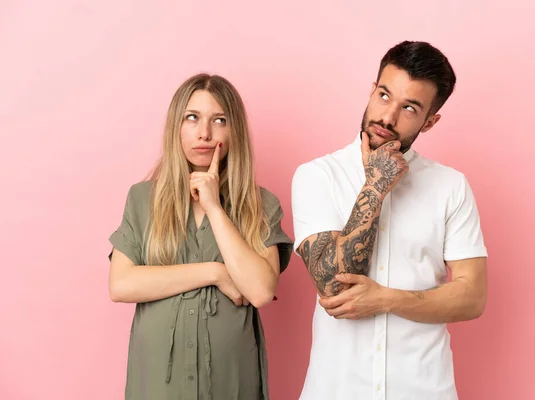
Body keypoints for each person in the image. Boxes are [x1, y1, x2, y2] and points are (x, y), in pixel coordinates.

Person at [291, 41, 488, 399]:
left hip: (423, 389)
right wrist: (375, 187)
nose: (387, 117)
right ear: (372, 90)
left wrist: (386, 299)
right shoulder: (317, 176)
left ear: (430, 121)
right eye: (384, 95)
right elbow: (333, 286)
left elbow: (472, 297)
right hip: (336, 390)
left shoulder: (450, 186)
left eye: (409, 108)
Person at [108, 73, 293, 400]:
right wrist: (215, 273)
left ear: (233, 130)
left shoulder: (261, 205)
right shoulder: (142, 200)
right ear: (175, 127)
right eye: (192, 118)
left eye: (218, 120)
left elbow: (261, 290)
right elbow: (121, 284)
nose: (204, 133)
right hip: (157, 386)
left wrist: (214, 208)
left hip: (230, 383)